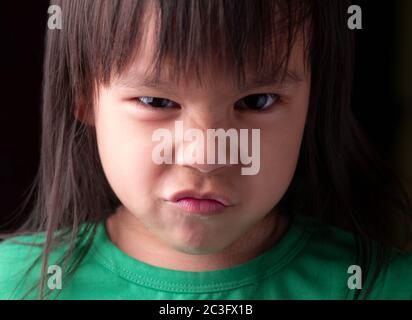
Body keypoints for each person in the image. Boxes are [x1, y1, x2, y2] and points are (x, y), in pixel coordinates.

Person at [1, 0, 411, 300]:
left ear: (313, 98)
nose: (207, 157)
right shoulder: (12, 284)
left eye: (256, 101)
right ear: (83, 94)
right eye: (158, 103)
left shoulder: (388, 287)